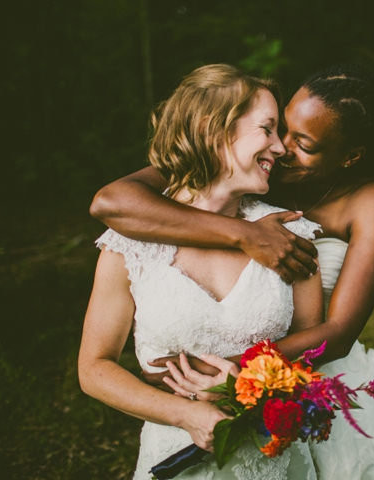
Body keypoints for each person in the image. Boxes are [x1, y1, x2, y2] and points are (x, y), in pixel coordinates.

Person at [91, 63, 374, 479]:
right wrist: (243, 234)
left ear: (350, 156)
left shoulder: (367, 202)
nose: (283, 148)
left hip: (310, 365)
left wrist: (228, 374)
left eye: (303, 143)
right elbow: (113, 201)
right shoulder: (246, 169)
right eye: (281, 128)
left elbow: (337, 333)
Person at [78, 64, 324, 479]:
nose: (280, 148)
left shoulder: (291, 235)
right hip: (173, 455)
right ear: (214, 130)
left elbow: (313, 357)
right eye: (266, 129)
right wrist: (184, 414)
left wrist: (250, 383)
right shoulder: (129, 243)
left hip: (269, 462)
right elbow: (94, 368)